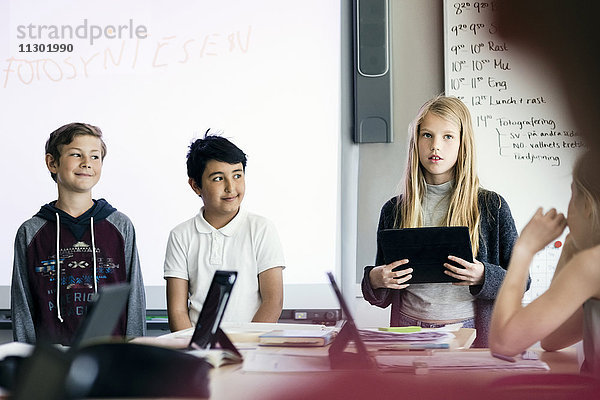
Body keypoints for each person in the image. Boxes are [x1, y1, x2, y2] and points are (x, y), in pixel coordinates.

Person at [361, 95, 522, 347]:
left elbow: (521, 282)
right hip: (408, 328)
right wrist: (375, 279)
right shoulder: (394, 210)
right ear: (416, 141)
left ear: (462, 144)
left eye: (447, 136)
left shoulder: (492, 207)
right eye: (427, 135)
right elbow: (381, 294)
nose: (436, 146)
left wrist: (483, 275)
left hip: (470, 332)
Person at [11, 122, 146, 345]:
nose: (87, 163)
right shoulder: (31, 231)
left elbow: (134, 301)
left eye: (95, 157)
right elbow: (23, 306)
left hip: (110, 358)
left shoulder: (120, 225)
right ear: (52, 162)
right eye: (76, 154)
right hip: (51, 363)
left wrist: (134, 354)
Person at [490, 151, 600, 377]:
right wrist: (569, 252)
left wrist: (524, 249)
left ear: (587, 205)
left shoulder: (591, 264)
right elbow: (553, 338)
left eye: (572, 195)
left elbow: (504, 343)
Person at [163, 133, 284, 332]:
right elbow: (177, 312)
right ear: (195, 186)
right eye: (218, 178)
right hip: (199, 351)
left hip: (253, 348)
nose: (231, 187)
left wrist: (246, 347)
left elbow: (273, 301)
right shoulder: (180, 235)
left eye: (237, 175)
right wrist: (193, 353)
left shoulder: (262, 229)